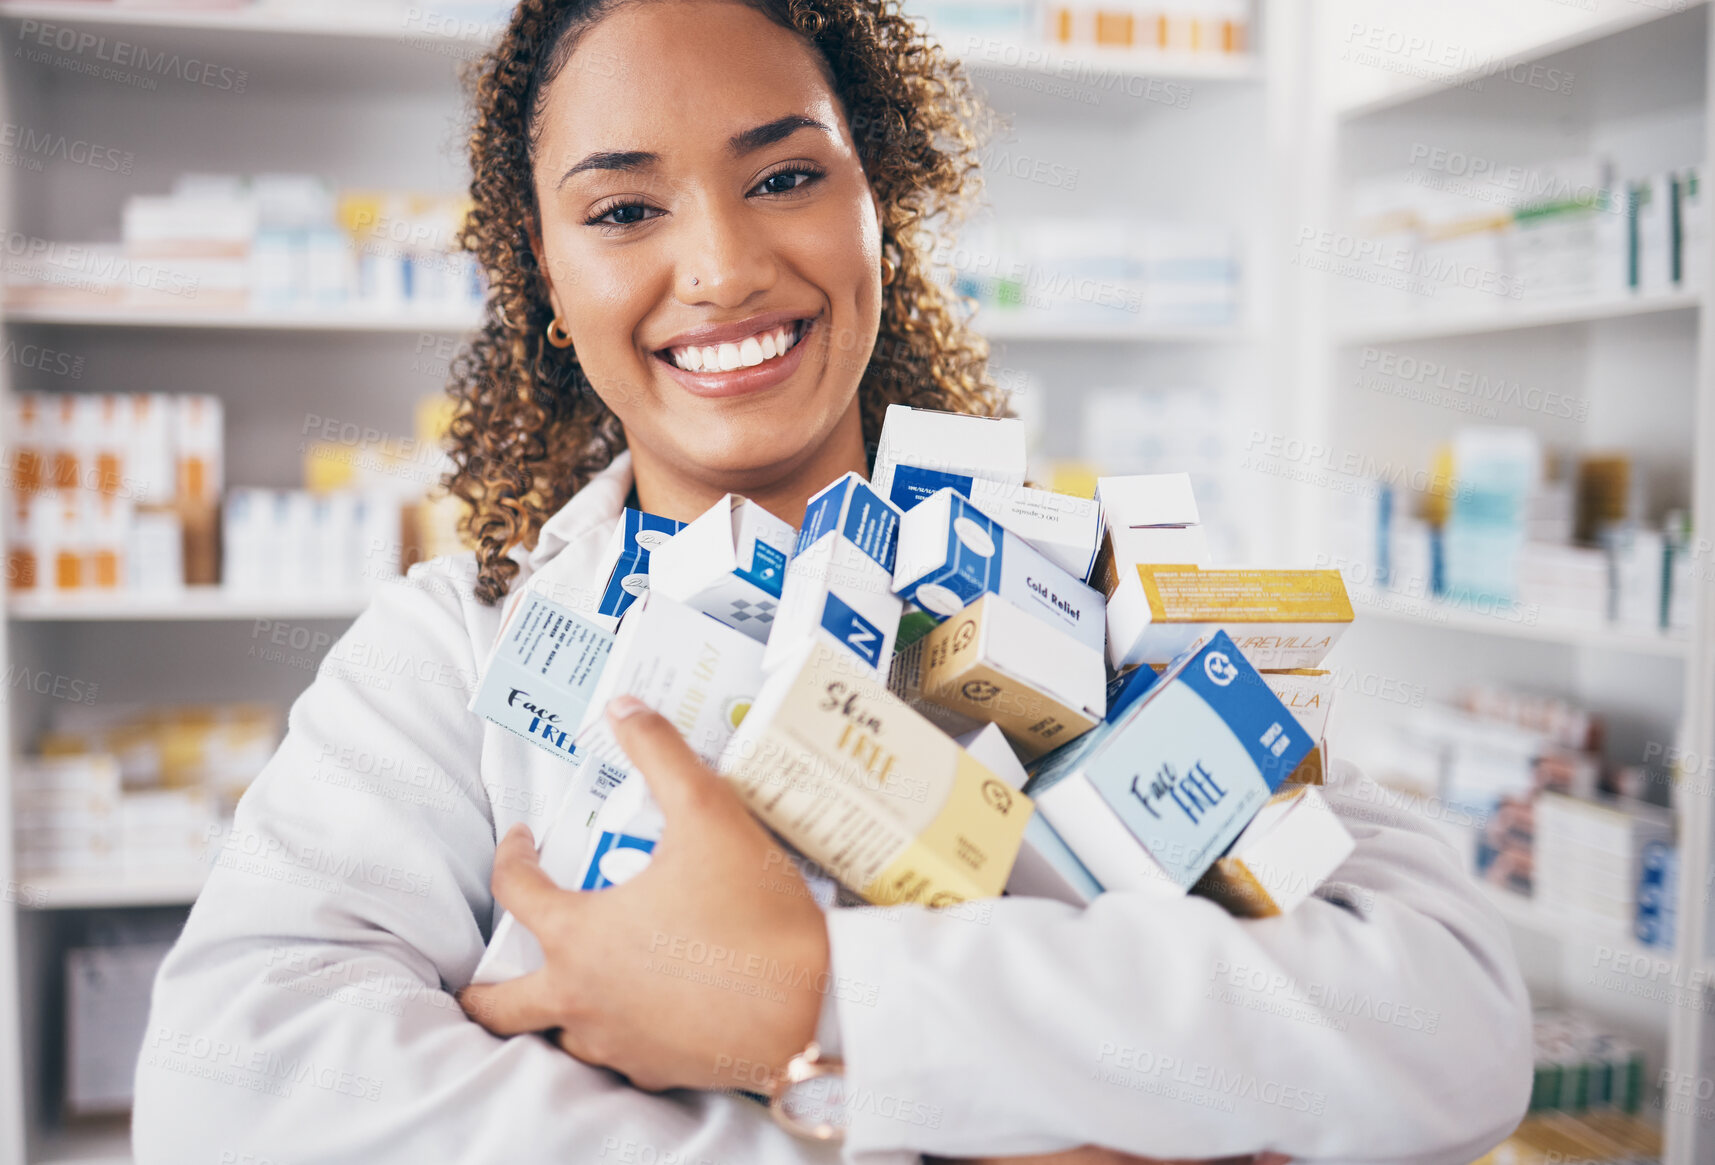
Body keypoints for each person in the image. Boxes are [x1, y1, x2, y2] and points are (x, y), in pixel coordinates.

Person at [132, 0, 1534, 1161]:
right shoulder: (455, 646)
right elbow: (226, 1084)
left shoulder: (1088, 593)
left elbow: (1449, 1022)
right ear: (544, 283)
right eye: (623, 207)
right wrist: (915, 1111)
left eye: (788, 176)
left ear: (882, 207)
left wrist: (805, 997)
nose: (725, 266)